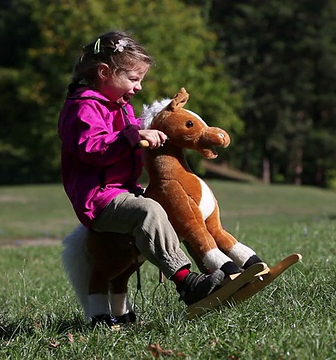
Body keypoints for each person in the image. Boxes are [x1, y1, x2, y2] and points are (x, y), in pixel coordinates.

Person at [57, 31, 224, 324]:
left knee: (170, 207)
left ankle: (216, 267)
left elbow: (136, 129)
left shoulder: (121, 107)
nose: (139, 86)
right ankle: (186, 282)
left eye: (140, 80)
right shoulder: (83, 107)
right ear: (104, 72)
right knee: (149, 211)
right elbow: (91, 148)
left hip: (123, 190)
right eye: (134, 79)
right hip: (97, 199)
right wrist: (131, 136)